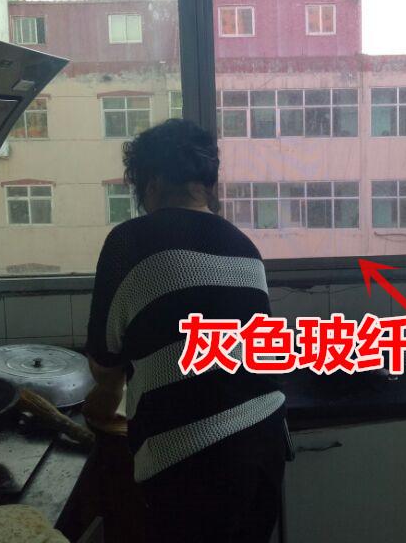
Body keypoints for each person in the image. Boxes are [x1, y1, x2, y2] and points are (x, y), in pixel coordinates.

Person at [83, 118, 287, 543]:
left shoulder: (129, 242)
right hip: (265, 447)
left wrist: (97, 409)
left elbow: (106, 366)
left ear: (152, 182)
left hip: (191, 462)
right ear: (206, 183)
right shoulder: (245, 247)